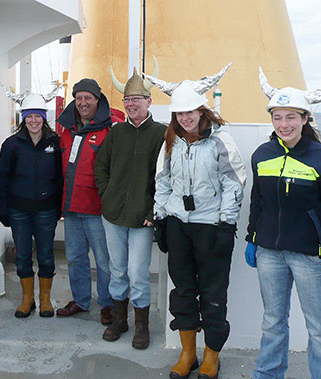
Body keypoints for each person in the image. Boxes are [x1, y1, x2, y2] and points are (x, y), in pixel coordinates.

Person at [246, 68, 321, 379]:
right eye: (278, 117)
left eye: (291, 117)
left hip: (311, 256)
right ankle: (267, 374)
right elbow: (258, 202)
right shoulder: (262, 156)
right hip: (270, 252)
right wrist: (252, 238)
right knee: (273, 321)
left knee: (320, 328)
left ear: (305, 119)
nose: (284, 124)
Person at [148, 63, 246, 379]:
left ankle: (212, 356)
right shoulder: (171, 141)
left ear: (202, 111)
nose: (185, 118)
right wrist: (161, 218)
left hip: (211, 227)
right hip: (178, 226)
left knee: (214, 294)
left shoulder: (221, 141)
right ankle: (188, 352)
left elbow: (234, 183)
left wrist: (226, 224)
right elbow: (162, 181)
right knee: (184, 291)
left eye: (190, 112)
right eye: (179, 114)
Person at [94, 68, 166, 349]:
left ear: (149, 102)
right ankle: (119, 320)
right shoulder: (117, 133)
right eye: (127, 100)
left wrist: (152, 213)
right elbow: (101, 167)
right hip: (113, 215)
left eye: (137, 99)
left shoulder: (161, 134)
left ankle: (142, 326)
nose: (131, 104)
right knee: (117, 269)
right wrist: (107, 194)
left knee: (138, 272)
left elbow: (166, 176)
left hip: (142, 219)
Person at [0, 88, 63, 318]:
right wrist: (4, 210)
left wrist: (59, 207)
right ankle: (27, 299)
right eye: (29, 116)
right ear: (23, 118)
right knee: (23, 255)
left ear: (44, 118)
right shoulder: (12, 144)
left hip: (46, 210)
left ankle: (45, 299)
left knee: (45, 255)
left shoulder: (54, 143)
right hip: (19, 210)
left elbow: (61, 177)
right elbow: (2, 178)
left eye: (38, 116)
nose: (34, 121)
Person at [55, 78, 114, 325]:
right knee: (75, 257)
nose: (83, 103)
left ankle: (108, 304)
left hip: (96, 209)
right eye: (79, 98)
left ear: (97, 101)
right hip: (71, 208)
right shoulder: (67, 132)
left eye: (88, 98)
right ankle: (80, 300)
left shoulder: (107, 132)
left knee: (104, 260)